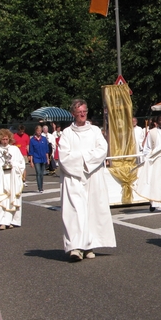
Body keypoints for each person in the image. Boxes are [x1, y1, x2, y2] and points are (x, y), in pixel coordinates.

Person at [58, 99, 116, 262]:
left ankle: (89, 245)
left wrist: (84, 160)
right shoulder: (67, 134)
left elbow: (102, 150)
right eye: (79, 112)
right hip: (73, 177)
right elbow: (64, 157)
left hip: (93, 176)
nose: (83, 114)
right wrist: (85, 159)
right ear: (73, 114)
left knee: (92, 210)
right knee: (75, 212)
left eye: (84, 111)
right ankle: (75, 247)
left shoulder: (95, 131)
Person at [0, 129, 25, 229]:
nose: (5, 141)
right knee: (3, 199)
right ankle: (3, 222)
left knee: (12, 198)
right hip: (1, 179)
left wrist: (13, 165)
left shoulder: (14, 149)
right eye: (3, 139)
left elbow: (21, 163)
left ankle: (11, 221)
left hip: (12, 178)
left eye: (7, 139)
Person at [28, 125, 49, 193]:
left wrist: (47, 159)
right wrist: (31, 161)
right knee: (38, 172)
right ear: (35, 131)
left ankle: (41, 186)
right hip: (36, 158)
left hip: (43, 158)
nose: (39, 132)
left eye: (40, 131)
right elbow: (31, 151)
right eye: (38, 131)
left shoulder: (44, 139)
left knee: (41, 173)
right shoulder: (32, 140)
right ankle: (39, 188)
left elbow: (46, 150)